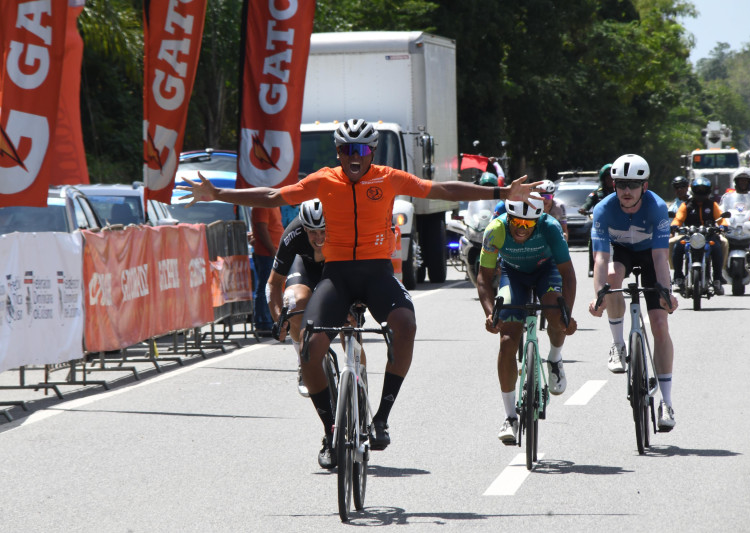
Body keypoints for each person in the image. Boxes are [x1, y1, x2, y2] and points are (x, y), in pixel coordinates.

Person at [178, 118, 543, 467]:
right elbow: (274, 195)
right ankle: (330, 432)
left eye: (363, 149)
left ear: (372, 152)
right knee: (310, 347)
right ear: (338, 152)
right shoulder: (324, 181)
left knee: (405, 324)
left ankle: (381, 418)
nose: (355, 156)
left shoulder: (388, 178)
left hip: (377, 274)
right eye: (347, 149)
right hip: (337, 277)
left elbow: (443, 189)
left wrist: (501, 191)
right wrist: (218, 193)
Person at [588, 153, 679, 431]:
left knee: (660, 325)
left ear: (645, 187)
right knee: (612, 277)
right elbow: (601, 260)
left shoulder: (657, 207)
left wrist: (666, 292)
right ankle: (618, 345)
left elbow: (661, 257)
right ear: (614, 186)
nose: (626, 191)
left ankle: (666, 402)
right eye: (621, 184)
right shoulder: (603, 210)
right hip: (622, 253)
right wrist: (598, 296)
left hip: (651, 257)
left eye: (633, 185)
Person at [477, 196, 577, 444]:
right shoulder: (495, 230)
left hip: (547, 269)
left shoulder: (550, 227)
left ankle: (554, 357)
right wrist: (490, 313)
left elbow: (569, 275)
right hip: (513, 273)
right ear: (508, 218)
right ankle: (510, 416)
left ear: (538, 220)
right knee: (507, 339)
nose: (521, 229)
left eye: (528, 224)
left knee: (555, 313)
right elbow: (483, 277)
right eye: (517, 222)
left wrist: (567, 315)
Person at [267, 199, 327, 398]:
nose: (318, 238)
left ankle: (356, 372)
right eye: (312, 232)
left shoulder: (343, 227)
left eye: (323, 231)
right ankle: (304, 361)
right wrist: (278, 320)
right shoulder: (292, 235)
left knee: (349, 318)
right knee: (293, 303)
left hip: (335, 268)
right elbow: (273, 284)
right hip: (305, 268)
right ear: (303, 228)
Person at [671, 176, 729, 295]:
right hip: (689, 235)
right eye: (698, 190)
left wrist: (723, 226)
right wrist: (675, 225)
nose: (701, 193)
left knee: (719, 246)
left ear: (708, 191)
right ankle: (678, 277)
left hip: (709, 235)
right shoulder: (686, 205)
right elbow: (678, 218)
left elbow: (720, 218)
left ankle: (717, 278)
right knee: (677, 246)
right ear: (693, 190)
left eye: (704, 190)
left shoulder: (712, 205)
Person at [249, 207, 283, 333]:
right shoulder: (262, 205)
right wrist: (273, 251)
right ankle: (263, 323)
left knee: (270, 287)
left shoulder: (273, 205)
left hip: (272, 252)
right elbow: (262, 229)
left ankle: (268, 321)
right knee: (265, 287)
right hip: (267, 254)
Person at [579, 164, 614, 276]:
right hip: (600, 224)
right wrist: (584, 209)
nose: (610, 180)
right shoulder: (597, 192)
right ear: (603, 179)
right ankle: (592, 267)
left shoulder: (620, 191)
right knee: (593, 241)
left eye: (612, 178)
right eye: (607, 178)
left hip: (617, 223)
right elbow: (588, 203)